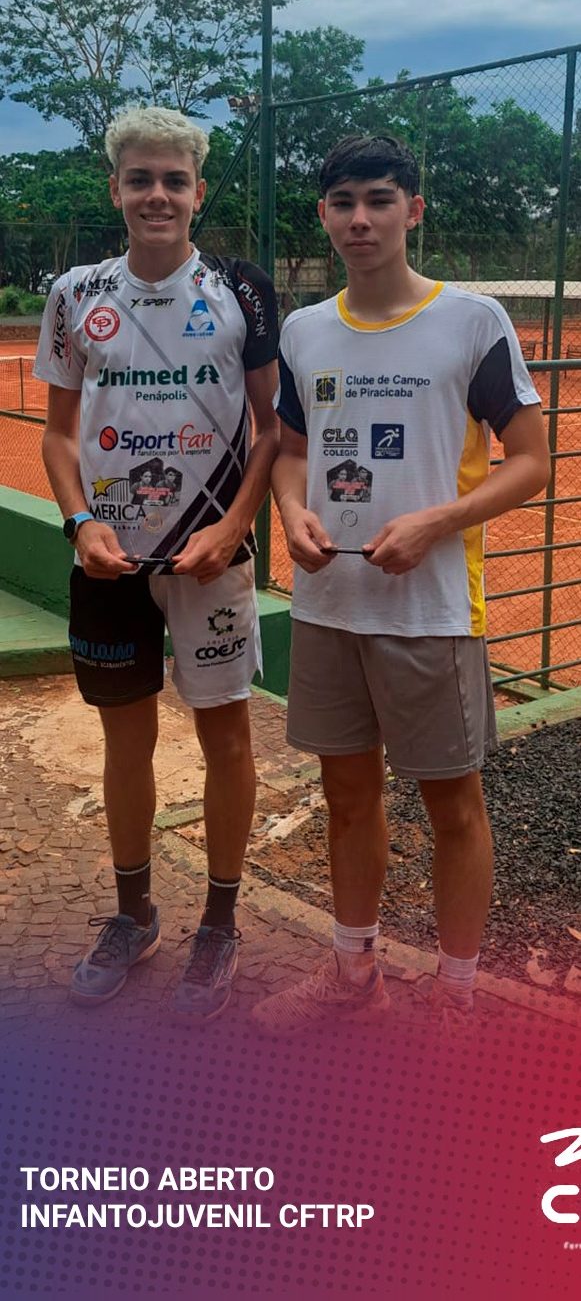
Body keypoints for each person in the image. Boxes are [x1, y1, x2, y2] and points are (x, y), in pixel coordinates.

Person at [252, 133, 550, 1034]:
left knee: (452, 805)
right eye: (343, 203)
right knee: (346, 798)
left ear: (412, 211)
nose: (360, 219)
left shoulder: (472, 321)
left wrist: (435, 522)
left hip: (432, 611)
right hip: (329, 606)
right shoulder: (305, 330)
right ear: (322, 215)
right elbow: (291, 451)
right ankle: (353, 973)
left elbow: (530, 462)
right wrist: (289, 511)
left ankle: (455, 995)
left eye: (379, 200)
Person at [34, 106, 279, 1019]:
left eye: (174, 180)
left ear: (198, 192)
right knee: (124, 741)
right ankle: (134, 915)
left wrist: (237, 524)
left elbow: (272, 430)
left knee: (226, 738)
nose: (157, 195)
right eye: (140, 179)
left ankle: (218, 924)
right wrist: (77, 522)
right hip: (109, 560)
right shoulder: (75, 293)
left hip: (211, 556)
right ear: (115, 189)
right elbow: (60, 435)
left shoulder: (242, 289)